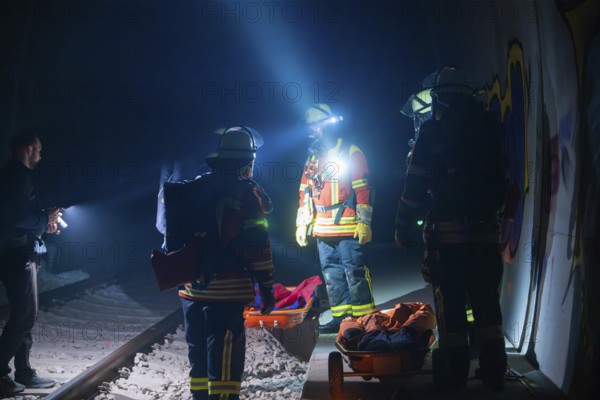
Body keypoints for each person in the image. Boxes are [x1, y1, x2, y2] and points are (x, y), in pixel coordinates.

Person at [395, 67, 509, 393]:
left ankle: (455, 377)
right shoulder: (490, 127)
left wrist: (403, 226)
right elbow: (502, 180)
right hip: (486, 237)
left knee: (453, 314)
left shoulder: (432, 132)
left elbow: (413, 186)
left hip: (448, 242)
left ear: (439, 99)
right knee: (488, 308)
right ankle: (494, 373)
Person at [161, 126, 275, 400]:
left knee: (198, 355)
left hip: (191, 289)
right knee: (224, 361)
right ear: (248, 162)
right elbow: (258, 244)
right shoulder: (247, 193)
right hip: (226, 292)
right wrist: (267, 286)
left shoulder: (195, 187)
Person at [295, 103, 377, 334]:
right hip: (322, 228)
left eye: (315, 126)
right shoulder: (312, 159)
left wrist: (364, 222)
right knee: (331, 275)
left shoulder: (351, 152)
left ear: (327, 126)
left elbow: (363, 189)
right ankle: (341, 318)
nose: (312, 131)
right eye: (309, 127)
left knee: (355, 272)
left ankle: (364, 318)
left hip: (349, 224)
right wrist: (302, 224)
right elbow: (305, 193)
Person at [0, 130, 59, 396]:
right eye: (38, 149)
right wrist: (43, 219)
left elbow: (22, 216)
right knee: (24, 316)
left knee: (22, 315)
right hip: (15, 253)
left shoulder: (18, 176)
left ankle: (24, 372)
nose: (41, 154)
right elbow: (16, 218)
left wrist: (45, 222)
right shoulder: (14, 177)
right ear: (27, 150)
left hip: (19, 249)